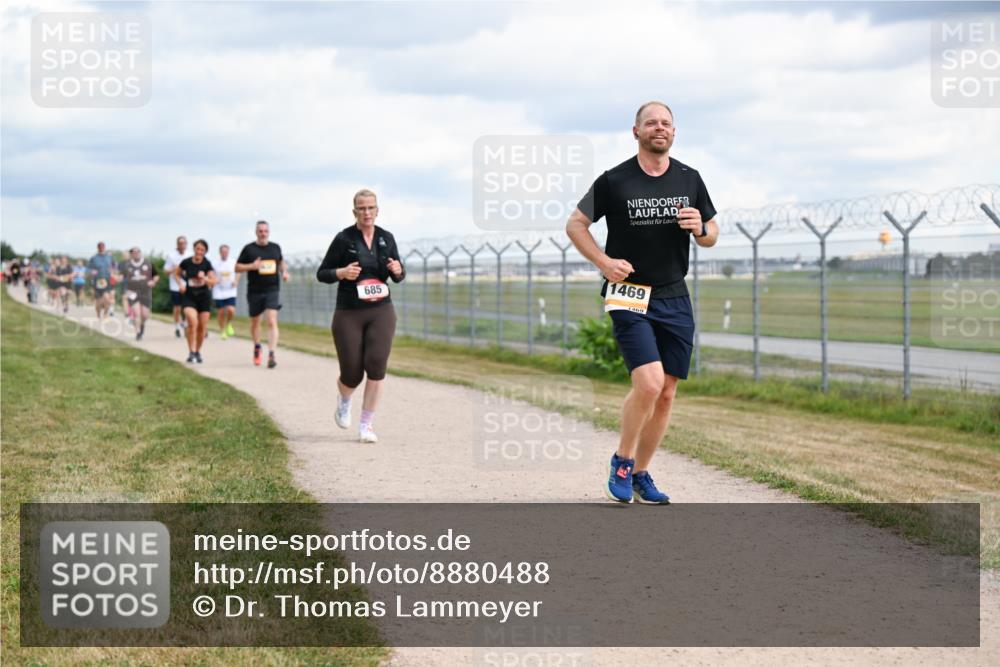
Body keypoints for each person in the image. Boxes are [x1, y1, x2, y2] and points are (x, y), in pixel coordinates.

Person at [566, 101, 719, 505]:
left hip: (674, 293)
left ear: (674, 131)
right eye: (651, 123)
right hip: (629, 292)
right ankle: (622, 459)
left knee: (667, 392)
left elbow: (712, 232)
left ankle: (640, 473)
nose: (659, 128)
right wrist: (602, 261)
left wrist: (701, 228)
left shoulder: (690, 178)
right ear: (636, 132)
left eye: (666, 123)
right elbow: (575, 224)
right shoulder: (615, 180)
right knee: (648, 383)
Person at [317, 189, 405, 443]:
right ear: (354, 211)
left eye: (371, 208)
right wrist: (341, 273)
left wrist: (398, 270)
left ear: (377, 210)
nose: (366, 213)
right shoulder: (344, 239)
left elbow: (398, 274)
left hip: (381, 310)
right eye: (361, 208)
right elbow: (322, 273)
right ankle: (344, 400)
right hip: (349, 312)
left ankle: (366, 426)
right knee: (352, 373)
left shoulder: (386, 238)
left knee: (377, 366)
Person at [236, 220, 288, 368]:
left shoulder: (275, 247)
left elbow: (281, 262)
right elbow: (237, 267)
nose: (263, 233)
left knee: (271, 320)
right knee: (255, 322)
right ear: (256, 232)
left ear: (269, 232)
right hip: (254, 291)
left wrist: (284, 272)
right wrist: (252, 266)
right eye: (260, 231)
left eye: (265, 231)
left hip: (272, 289)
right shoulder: (249, 249)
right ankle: (257, 346)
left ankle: (271, 354)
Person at [175, 239, 216, 363]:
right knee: (193, 322)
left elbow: (213, 282)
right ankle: (191, 351)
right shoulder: (186, 262)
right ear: (194, 249)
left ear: (205, 252)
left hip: (204, 298)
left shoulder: (207, 264)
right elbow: (176, 274)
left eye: (202, 250)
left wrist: (205, 278)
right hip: (189, 296)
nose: (199, 252)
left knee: (202, 327)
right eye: (197, 249)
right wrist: (181, 284)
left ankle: (197, 352)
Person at [120, 247, 159, 340]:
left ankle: (141, 325)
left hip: (145, 292)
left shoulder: (148, 263)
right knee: (137, 313)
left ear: (140, 253)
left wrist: (153, 282)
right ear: (131, 254)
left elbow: (156, 276)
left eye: (138, 252)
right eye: (134, 252)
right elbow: (121, 276)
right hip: (132, 291)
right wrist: (116, 278)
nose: (136, 254)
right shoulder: (127, 265)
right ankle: (138, 333)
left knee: (145, 315)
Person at [163, 236, 191, 338]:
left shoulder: (189, 255)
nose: (182, 245)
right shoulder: (171, 256)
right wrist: (174, 269)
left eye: (184, 243)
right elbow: (165, 271)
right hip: (175, 286)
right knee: (177, 308)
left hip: (187, 285)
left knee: (187, 307)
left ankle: (185, 323)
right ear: (177, 244)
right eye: (180, 243)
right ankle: (177, 327)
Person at [212, 244, 239, 339]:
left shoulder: (233, 262)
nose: (224, 253)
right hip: (219, 290)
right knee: (221, 312)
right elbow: (211, 274)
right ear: (220, 253)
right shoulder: (214, 263)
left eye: (226, 252)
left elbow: (238, 272)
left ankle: (229, 324)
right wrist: (214, 279)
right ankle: (222, 330)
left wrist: (236, 281)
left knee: (231, 310)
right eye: (223, 252)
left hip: (230, 290)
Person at [87, 242, 115, 319]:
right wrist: (91, 271)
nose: (102, 249)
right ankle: (98, 314)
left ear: (105, 248)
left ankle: (105, 314)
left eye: (103, 247)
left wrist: (113, 270)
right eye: (100, 247)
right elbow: (88, 269)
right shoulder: (94, 258)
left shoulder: (109, 257)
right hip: (98, 281)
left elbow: (114, 265)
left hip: (107, 280)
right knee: (99, 301)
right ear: (98, 248)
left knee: (107, 298)